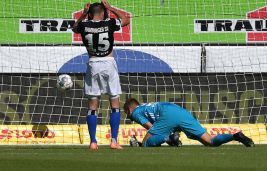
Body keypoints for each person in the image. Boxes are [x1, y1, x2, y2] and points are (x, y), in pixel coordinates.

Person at [72, 0, 130, 150]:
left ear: (90, 14)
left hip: (93, 63)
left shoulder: (84, 25)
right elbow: (126, 20)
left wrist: (83, 14)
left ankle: (93, 142)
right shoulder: (109, 22)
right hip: (109, 63)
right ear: (103, 12)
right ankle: (114, 141)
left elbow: (74, 29)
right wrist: (111, 8)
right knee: (114, 104)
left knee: (92, 106)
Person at [124, 98, 255, 147]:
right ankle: (236, 136)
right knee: (209, 141)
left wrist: (146, 142)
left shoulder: (136, 112)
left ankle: (169, 137)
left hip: (167, 114)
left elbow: (150, 127)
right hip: (180, 111)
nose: (127, 115)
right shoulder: (147, 106)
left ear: (129, 109)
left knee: (147, 143)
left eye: (126, 112)